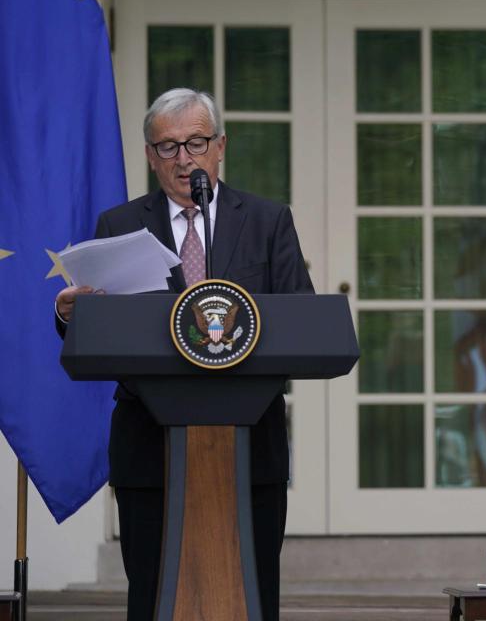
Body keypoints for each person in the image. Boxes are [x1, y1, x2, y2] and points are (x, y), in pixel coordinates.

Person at [55, 88, 313, 621]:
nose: (184, 159)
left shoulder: (267, 223)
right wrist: (68, 315)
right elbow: (97, 332)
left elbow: (304, 323)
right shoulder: (119, 226)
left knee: (254, 596)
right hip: (151, 448)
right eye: (168, 147)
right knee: (152, 597)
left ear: (220, 147)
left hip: (249, 452)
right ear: (150, 156)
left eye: (196, 142)